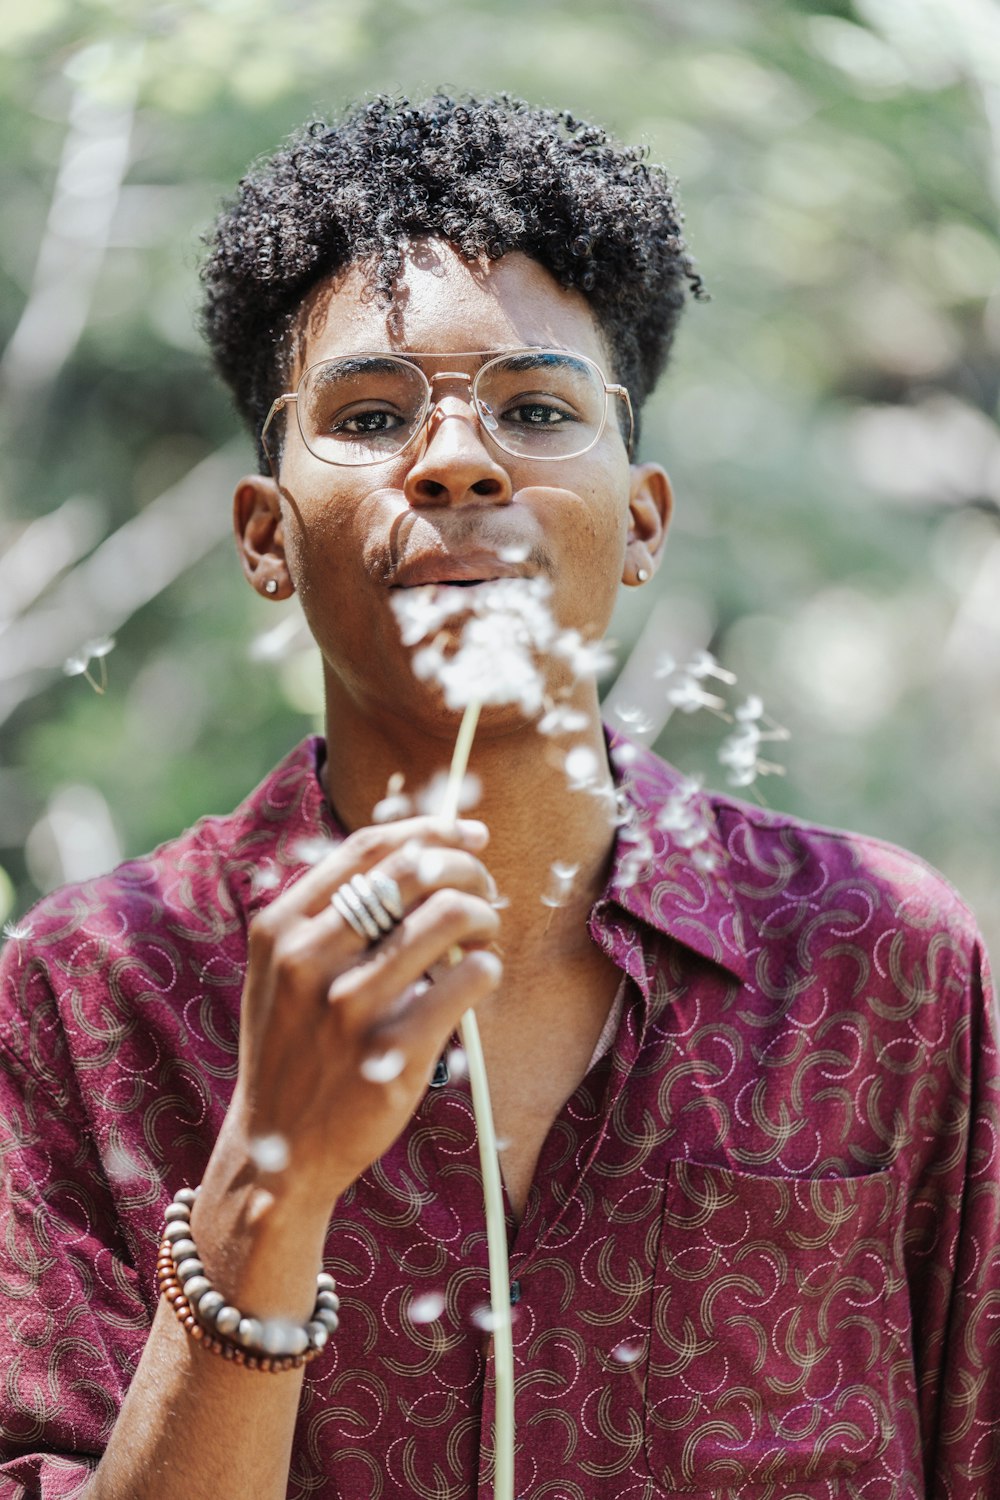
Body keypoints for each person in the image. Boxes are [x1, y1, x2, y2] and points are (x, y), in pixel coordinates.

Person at [0, 92, 996, 1500]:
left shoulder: (883, 963)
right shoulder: (82, 1002)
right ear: (265, 539)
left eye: (533, 408)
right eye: (367, 413)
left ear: (642, 521)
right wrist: (268, 1183)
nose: (457, 459)